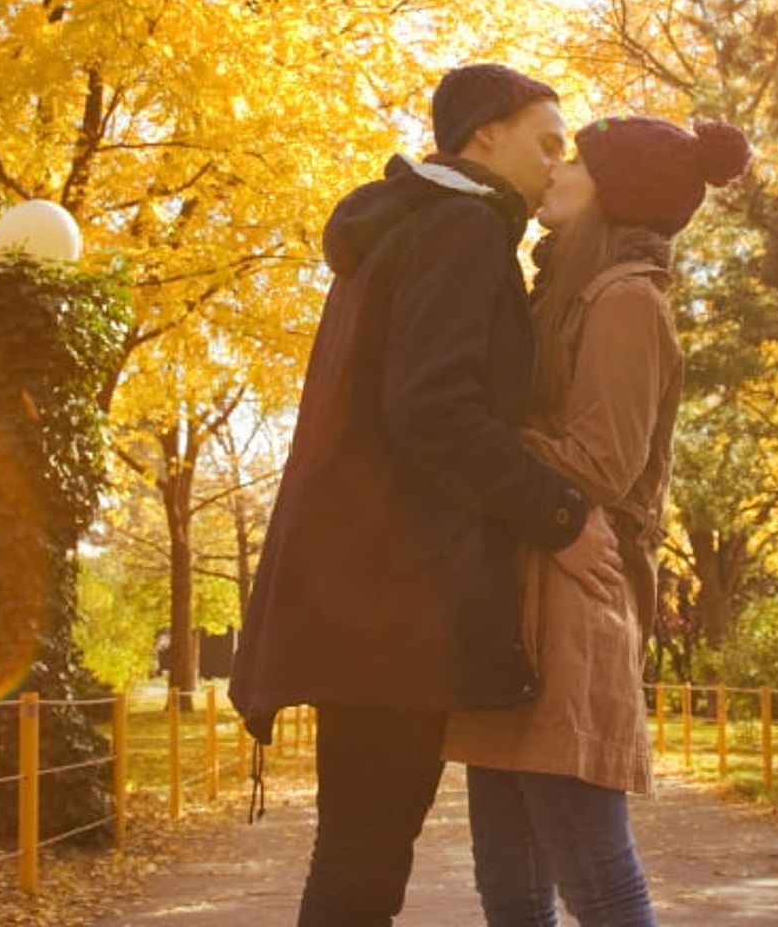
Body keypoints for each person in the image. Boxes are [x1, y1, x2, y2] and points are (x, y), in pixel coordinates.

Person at [229, 63, 623, 927]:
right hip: (393, 597)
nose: (558, 165)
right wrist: (559, 517)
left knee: (356, 855)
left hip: (360, 585)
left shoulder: (407, 228)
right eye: (546, 142)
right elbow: (433, 407)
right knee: (363, 866)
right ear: (485, 135)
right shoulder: (463, 229)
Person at [444, 113, 752, 927]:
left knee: (595, 880)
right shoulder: (563, 292)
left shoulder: (626, 302)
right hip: (515, 596)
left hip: (574, 601)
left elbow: (604, 463)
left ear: (616, 194)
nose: (557, 171)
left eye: (576, 159)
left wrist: (476, 440)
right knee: (509, 888)